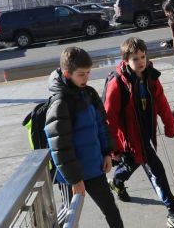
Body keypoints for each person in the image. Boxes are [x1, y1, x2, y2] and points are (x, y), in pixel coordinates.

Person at [105, 37, 174, 228]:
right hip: (129, 139)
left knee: (132, 164)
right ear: (126, 60)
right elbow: (109, 118)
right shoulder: (118, 83)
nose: (141, 62)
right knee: (156, 171)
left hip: (144, 135)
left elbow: (161, 102)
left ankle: (117, 182)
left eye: (143, 56)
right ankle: (172, 211)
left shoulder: (150, 77)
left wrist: (169, 124)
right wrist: (112, 147)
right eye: (135, 59)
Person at [44, 47, 123, 228]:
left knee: (111, 209)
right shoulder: (60, 103)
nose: (86, 78)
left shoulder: (89, 93)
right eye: (81, 74)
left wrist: (107, 153)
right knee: (68, 218)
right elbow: (60, 147)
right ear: (67, 73)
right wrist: (74, 179)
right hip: (72, 175)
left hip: (95, 168)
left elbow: (102, 126)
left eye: (88, 73)